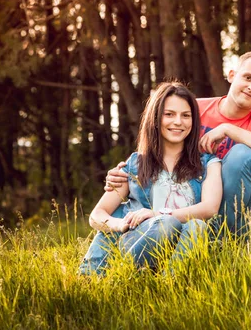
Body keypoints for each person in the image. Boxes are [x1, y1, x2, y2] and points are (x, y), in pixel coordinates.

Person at [105, 51, 251, 239]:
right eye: (248, 77)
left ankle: (226, 241)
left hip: (243, 220)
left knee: (241, 153)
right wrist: (125, 173)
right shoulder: (193, 110)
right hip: (195, 211)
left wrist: (229, 130)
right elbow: (157, 147)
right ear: (232, 75)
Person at [79, 82, 222, 275]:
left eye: (185, 115)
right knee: (166, 224)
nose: (178, 122)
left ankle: (167, 284)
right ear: (155, 118)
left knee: (197, 226)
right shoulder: (136, 164)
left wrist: (159, 214)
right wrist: (122, 225)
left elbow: (210, 207)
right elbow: (97, 215)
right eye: (169, 114)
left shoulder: (208, 164)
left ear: (193, 121)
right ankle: (132, 271)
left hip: (180, 250)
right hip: (137, 243)